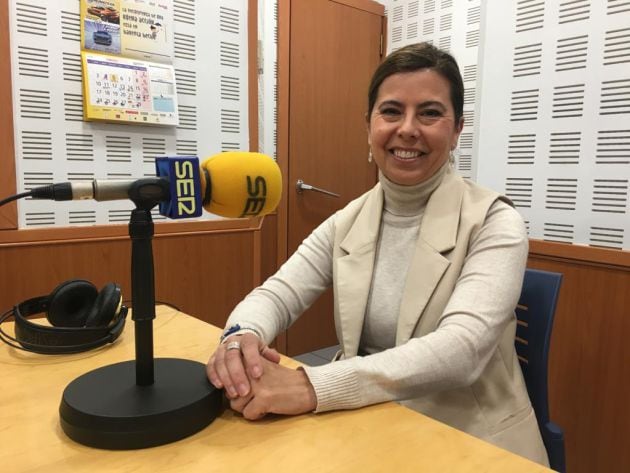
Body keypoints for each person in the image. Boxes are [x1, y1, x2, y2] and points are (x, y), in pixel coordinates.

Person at [207, 42, 549, 466]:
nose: (407, 129)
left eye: (429, 112)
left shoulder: (495, 221)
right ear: (368, 125)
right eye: (390, 111)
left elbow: (461, 350)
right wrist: (240, 338)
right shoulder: (347, 220)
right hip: (372, 424)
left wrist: (313, 386)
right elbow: (278, 293)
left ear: (457, 128)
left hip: (470, 439)